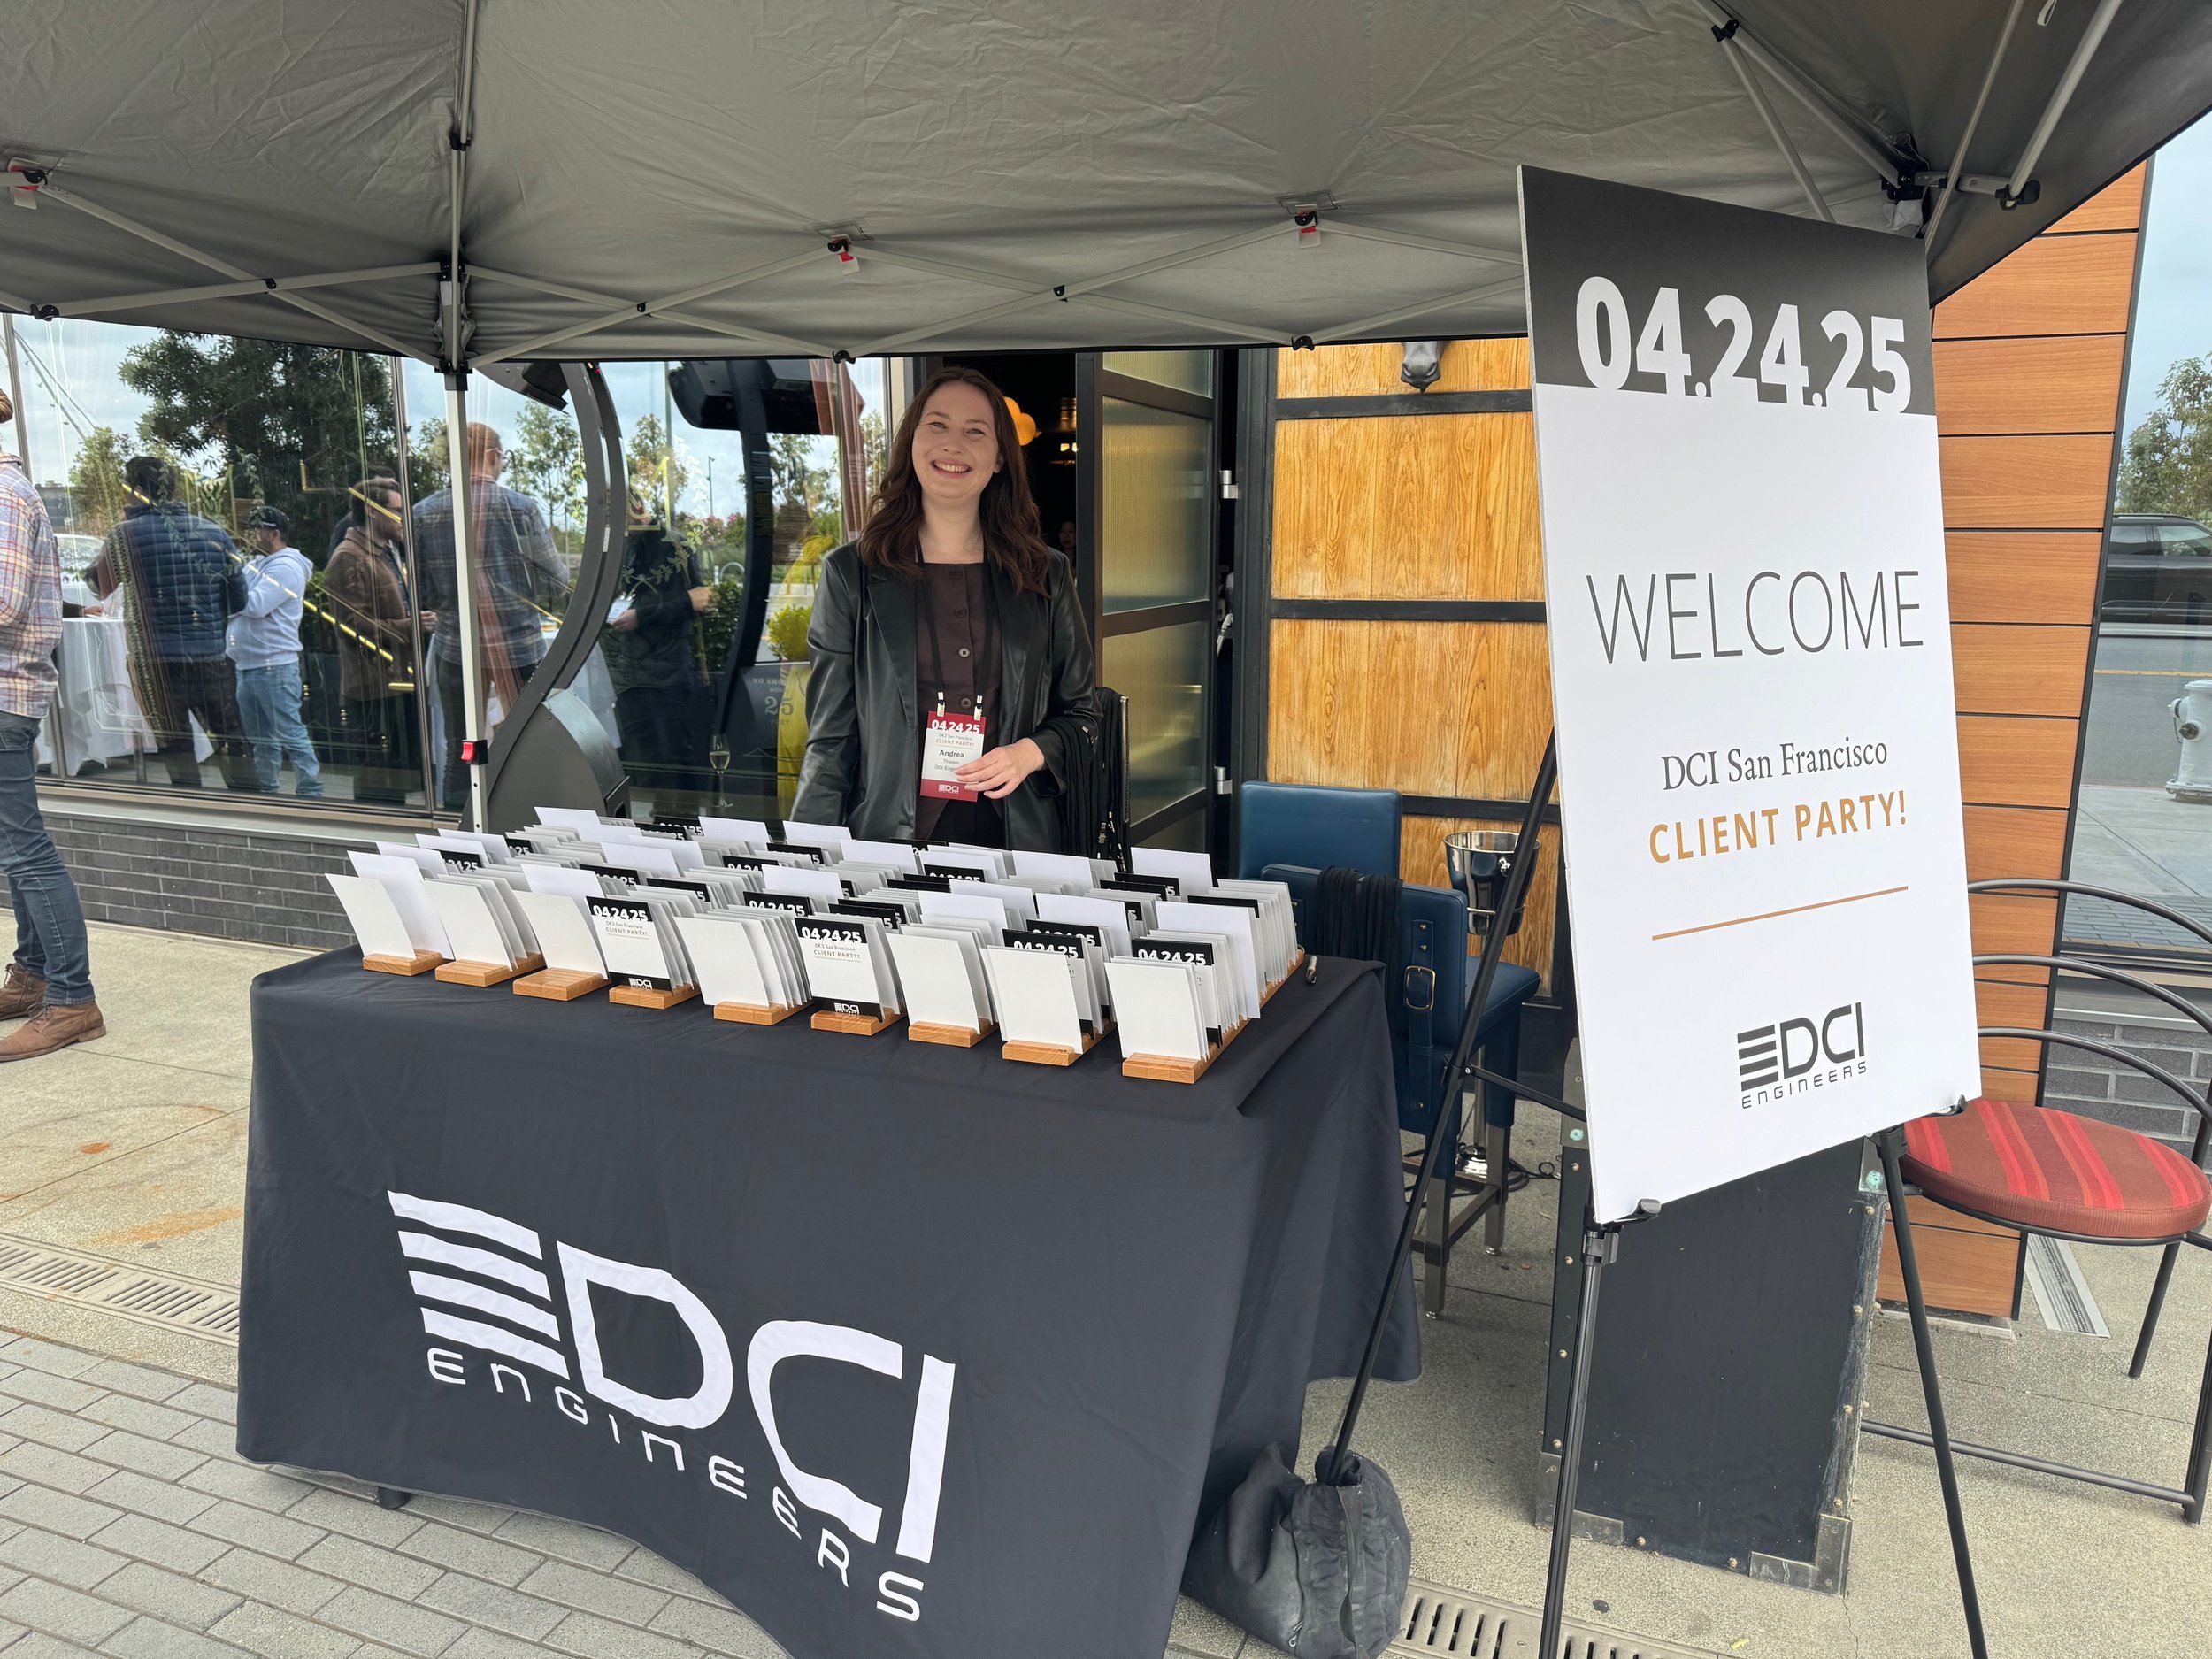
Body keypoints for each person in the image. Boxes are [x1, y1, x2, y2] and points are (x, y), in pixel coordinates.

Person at [793, 365, 1096, 849]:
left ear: (999, 458)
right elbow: (830, 742)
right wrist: (807, 858)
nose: (953, 444)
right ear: (911, 442)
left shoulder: (1046, 574)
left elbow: (1084, 713)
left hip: (1019, 841)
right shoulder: (852, 575)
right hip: (889, 844)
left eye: (976, 431)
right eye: (937, 425)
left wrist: (1031, 752)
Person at [0, 389, 104, 1060]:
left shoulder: (4, 496)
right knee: (14, 844)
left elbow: (3, 602)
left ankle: (72, 999)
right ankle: (35, 974)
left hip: (3, 693)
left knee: (24, 847)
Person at [414, 421, 569, 810]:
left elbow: (422, 592)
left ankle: (457, 830)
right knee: (523, 744)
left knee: (460, 747)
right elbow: (554, 583)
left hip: (456, 648)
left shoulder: (422, 514)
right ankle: (522, 823)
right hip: (518, 646)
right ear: (494, 457)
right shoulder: (521, 507)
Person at [89, 456, 252, 790]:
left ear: (134, 490)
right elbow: (239, 599)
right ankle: (249, 801)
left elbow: (101, 586)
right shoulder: (213, 532)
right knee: (230, 734)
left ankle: (192, 808)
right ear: (174, 488)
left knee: (174, 742)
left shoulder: (125, 535)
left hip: (155, 661)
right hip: (209, 656)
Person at [326, 478, 427, 806]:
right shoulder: (349, 557)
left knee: (399, 777)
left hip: (396, 679)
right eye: (397, 511)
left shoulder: (387, 552)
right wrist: (412, 626)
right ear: (372, 511)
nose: (403, 519)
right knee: (380, 786)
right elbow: (351, 627)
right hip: (373, 687)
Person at [605, 503, 709, 796]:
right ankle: (657, 828)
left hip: (667, 671)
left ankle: (684, 827)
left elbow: (697, 600)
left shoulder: (674, 544)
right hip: (629, 671)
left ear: (637, 507)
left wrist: (641, 616)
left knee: (675, 759)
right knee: (644, 764)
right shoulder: (623, 547)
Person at [226, 505, 322, 797]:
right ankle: (267, 790)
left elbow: (253, 605)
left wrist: (228, 591)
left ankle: (311, 792)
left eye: (256, 530)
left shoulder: (286, 567)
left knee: (291, 733)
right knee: (261, 738)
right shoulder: (256, 563)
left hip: (274, 665)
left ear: (274, 534)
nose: (249, 535)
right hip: (248, 664)